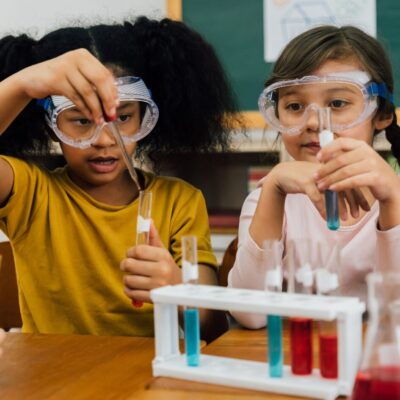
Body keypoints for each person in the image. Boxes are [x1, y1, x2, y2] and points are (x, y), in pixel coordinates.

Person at [0, 17, 239, 341]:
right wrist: (23, 85)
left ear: (147, 116)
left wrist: (176, 287)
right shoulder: (31, 194)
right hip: (53, 382)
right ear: (50, 125)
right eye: (81, 120)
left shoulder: (179, 202)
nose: (104, 139)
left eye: (123, 117)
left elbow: (213, 329)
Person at [228, 25, 400, 328]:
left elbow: (394, 310)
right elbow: (249, 314)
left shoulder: (395, 196)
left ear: (382, 113)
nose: (313, 122)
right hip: (300, 362)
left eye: (337, 103)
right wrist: (275, 188)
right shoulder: (267, 200)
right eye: (294, 106)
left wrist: (393, 199)